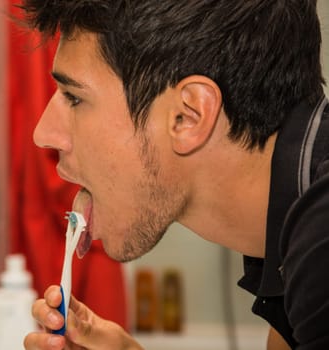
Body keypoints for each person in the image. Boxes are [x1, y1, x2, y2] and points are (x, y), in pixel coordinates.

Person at [17, 1, 329, 349]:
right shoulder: (292, 225)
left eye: (74, 97)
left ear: (188, 116)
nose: (43, 134)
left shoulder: (322, 245)